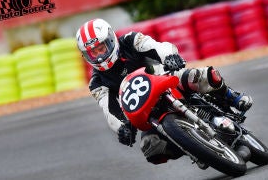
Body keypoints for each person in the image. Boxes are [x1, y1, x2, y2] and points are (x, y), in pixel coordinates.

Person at [76, 18, 253, 164]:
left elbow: (155, 46)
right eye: (93, 52)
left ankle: (231, 96)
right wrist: (121, 127)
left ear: (111, 40)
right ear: (86, 56)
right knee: (150, 147)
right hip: (145, 111)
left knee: (202, 76)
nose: (99, 55)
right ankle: (198, 149)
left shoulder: (129, 40)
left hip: (165, 78)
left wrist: (169, 56)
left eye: (101, 47)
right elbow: (109, 110)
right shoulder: (96, 82)